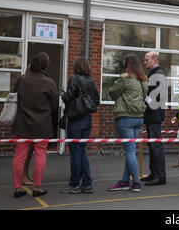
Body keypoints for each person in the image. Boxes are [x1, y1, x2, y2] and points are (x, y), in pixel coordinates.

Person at [12, 52, 58, 198]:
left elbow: (13, 97)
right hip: (42, 125)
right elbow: (55, 106)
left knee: (19, 155)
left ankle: (18, 188)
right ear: (46, 66)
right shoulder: (50, 82)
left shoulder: (21, 80)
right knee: (40, 154)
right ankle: (37, 187)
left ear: (31, 64)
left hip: (22, 124)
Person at [107, 54, 148, 192]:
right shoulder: (143, 79)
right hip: (138, 118)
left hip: (125, 117)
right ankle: (125, 181)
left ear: (127, 64)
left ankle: (136, 183)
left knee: (130, 151)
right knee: (131, 151)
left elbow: (112, 93)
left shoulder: (125, 78)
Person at [60, 58, 99, 194]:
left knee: (75, 152)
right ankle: (87, 183)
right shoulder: (91, 80)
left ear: (76, 67)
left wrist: (64, 95)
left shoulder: (74, 79)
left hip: (75, 120)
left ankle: (74, 184)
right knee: (82, 151)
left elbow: (68, 97)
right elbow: (96, 100)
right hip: (87, 119)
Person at [141, 51, 167, 186]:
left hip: (154, 114)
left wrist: (146, 104)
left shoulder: (159, 75)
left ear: (154, 60)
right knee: (152, 145)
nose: (144, 62)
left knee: (156, 145)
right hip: (152, 114)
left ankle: (160, 176)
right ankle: (154, 173)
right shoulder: (154, 75)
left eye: (147, 60)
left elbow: (158, 95)